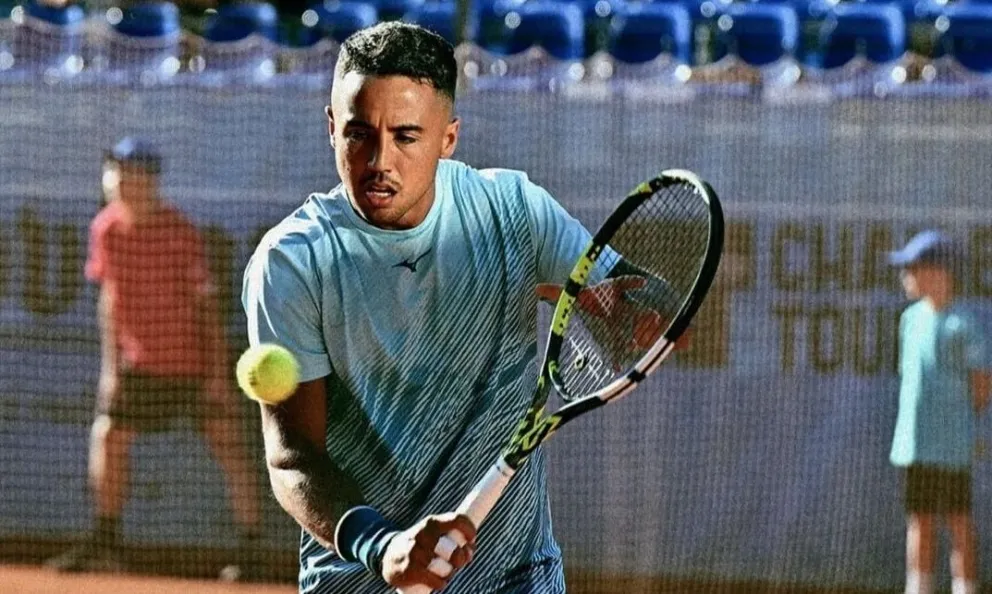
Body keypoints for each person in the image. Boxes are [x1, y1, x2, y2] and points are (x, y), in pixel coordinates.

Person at [241, 21, 668, 594]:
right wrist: (382, 546)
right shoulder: (292, 262)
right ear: (331, 128)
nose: (378, 161)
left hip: (514, 578)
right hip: (361, 580)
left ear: (448, 138)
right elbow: (292, 458)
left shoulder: (514, 212)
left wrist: (647, 314)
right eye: (358, 134)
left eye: (407, 136)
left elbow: (629, 299)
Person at [46, 137, 263, 581]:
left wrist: (216, 376)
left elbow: (207, 308)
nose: (125, 184)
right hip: (138, 368)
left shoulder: (180, 232)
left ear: (152, 182)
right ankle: (106, 542)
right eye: (118, 175)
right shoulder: (104, 230)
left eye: (135, 176)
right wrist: (111, 369)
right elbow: (109, 299)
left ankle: (252, 548)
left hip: (191, 366)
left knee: (230, 447)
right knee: (108, 437)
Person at [888, 229, 990, 594]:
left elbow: (981, 386)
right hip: (914, 446)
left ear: (940, 272)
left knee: (959, 521)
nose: (906, 276)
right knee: (920, 521)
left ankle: (965, 588)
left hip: (950, 449)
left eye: (913, 268)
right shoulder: (909, 320)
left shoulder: (965, 324)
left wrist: (958, 426)